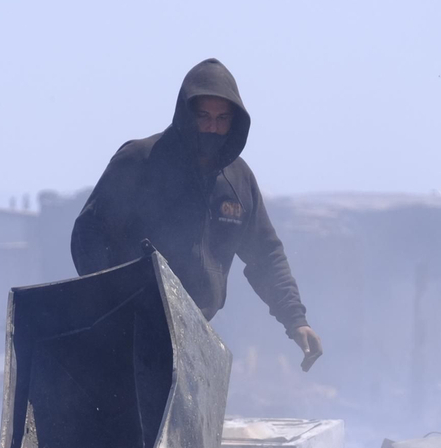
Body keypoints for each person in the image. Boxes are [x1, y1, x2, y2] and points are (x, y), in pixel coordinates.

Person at [71, 58, 323, 371]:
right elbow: (88, 233)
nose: (213, 127)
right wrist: (110, 302)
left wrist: (296, 321)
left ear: (234, 122)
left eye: (222, 118)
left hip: (192, 338)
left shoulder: (239, 182)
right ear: (186, 115)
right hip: (127, 332)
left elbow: (266, 256)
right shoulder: (140, 160)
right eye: (204, 116)